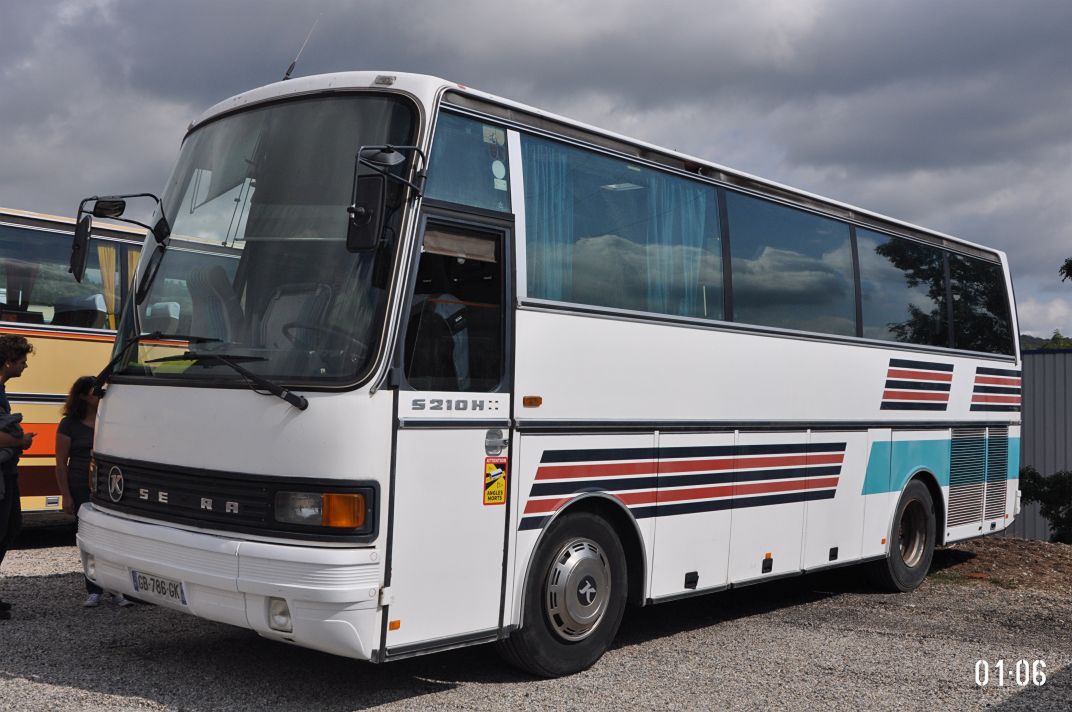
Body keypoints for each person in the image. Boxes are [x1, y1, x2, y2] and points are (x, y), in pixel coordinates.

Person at [55, 376, 131, 608]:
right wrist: (65, 495)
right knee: (89, 539)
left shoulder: (107, 420)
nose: (100, 396)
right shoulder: (69, 424)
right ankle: (94, 588)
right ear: (82, 397)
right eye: (94, 392)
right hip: (80, 485)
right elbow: (60, 462)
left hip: (109, 487)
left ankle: (118, 588)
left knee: (114, 537)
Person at [0, 334, 34, 621]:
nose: (25, 366)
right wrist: (20, 442)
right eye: (22, 361)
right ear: (8, 362)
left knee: (10, 528)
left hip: (7, 472)